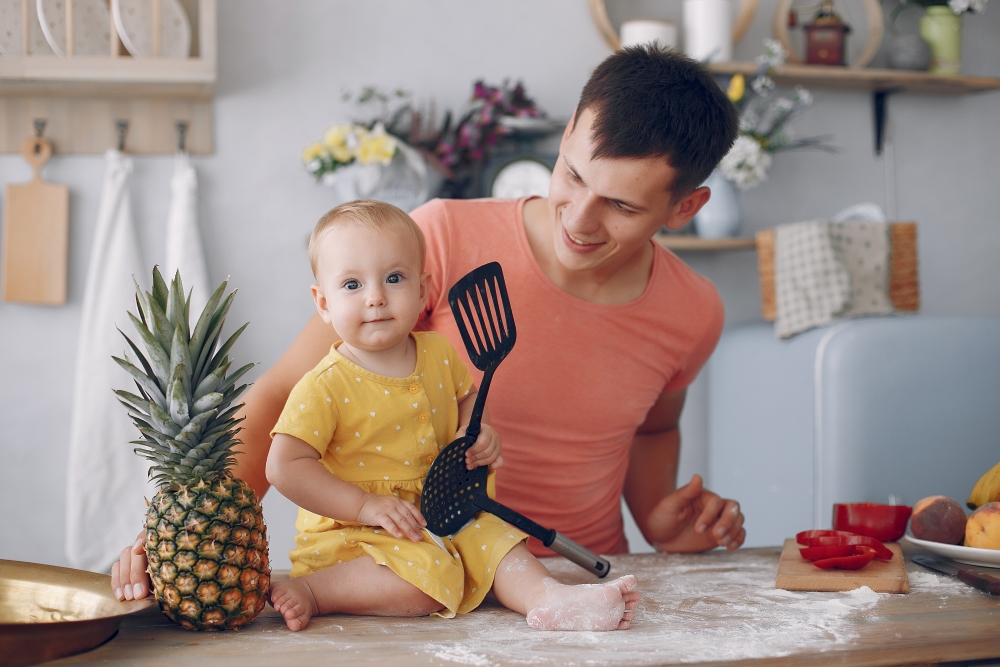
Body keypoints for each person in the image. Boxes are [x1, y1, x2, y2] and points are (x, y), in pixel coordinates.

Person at [113, 44, 745, 606]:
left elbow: (653, 430)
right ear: (565, 138)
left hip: (577, 586)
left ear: (686, 206)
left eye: (621, 205)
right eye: (573, 175)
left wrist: (659, 522)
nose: (579, 219)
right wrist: (193, 530)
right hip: (411, 574)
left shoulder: (693, 310)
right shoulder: (439, 237)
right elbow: (283, 398)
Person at [264, 200, 639, 631]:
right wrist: (364, 506)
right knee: (425, 581)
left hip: (443, 514)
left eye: (394, 278)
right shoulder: (325, 384)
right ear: (323, 302)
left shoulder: (438, 353)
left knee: (499, 540)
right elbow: (283, 466)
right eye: (352, 284)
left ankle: (549, 599)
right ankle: (316, 591)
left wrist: (476, 431)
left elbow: (468, 397)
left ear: (423, 290)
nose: (376, 297)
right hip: (358, 537)